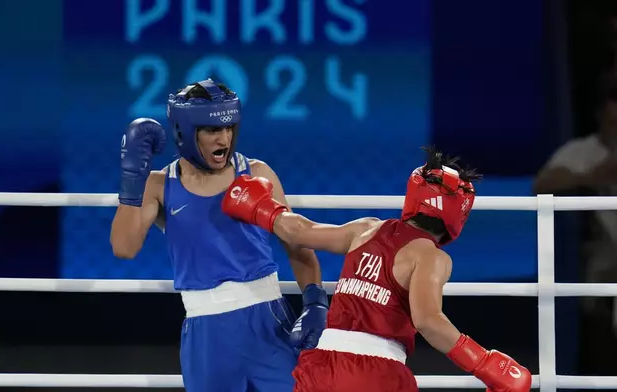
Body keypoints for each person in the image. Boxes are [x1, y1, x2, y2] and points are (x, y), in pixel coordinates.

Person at [222, 146, 533, 392]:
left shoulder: (366, 229)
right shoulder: (431, 257)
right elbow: (428, 321)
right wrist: (484, 363)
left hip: (321, 364)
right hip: (376, 372)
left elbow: (299, 232)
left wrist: (260, 207)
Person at [110, 79, 329, 392]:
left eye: (228, 129)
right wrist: (132, 179)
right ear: (186, 132)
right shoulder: (160, 185)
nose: (224, 138)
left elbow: (297, 245)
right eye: (212, 130)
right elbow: (124, 247)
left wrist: (314, 301)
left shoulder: (257, 173)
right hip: (207, 330)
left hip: (268, 319)